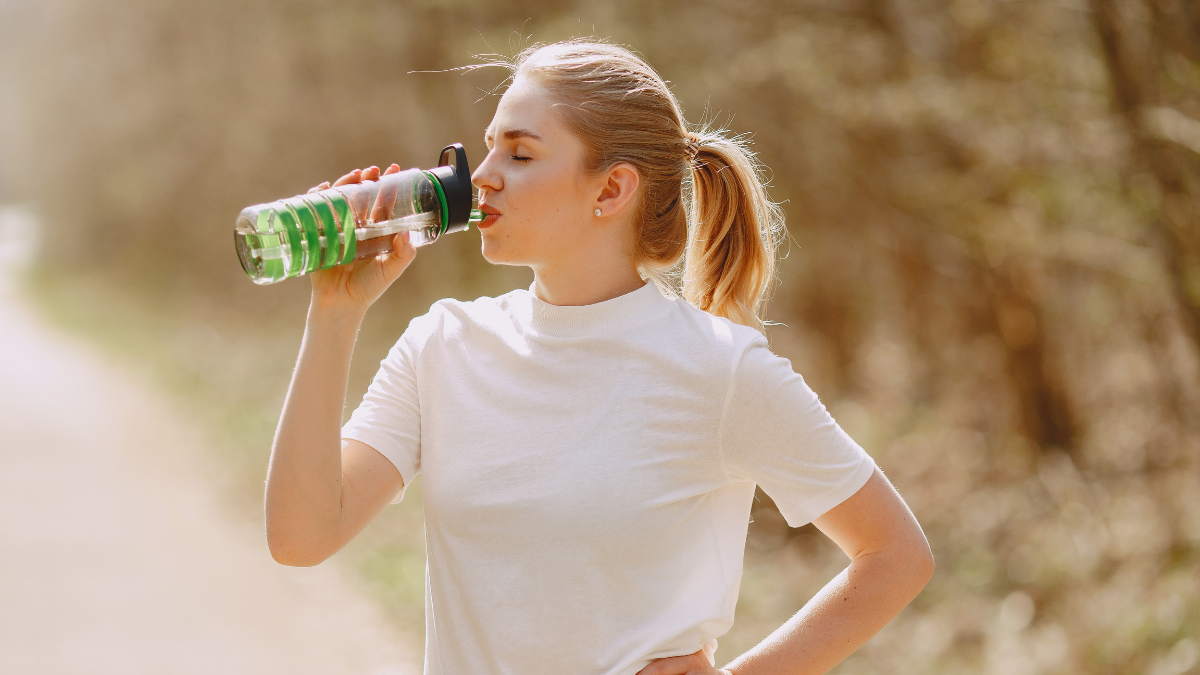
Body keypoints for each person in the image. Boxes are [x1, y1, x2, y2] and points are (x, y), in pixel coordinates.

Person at [264, 39, 934, 675]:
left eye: (520, 155)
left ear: (611, 190)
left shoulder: (720, 369)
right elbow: (301, 535)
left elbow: (895, 556)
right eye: (488, 148)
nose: (483, 178)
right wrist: (336, 310)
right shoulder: (441, 346)